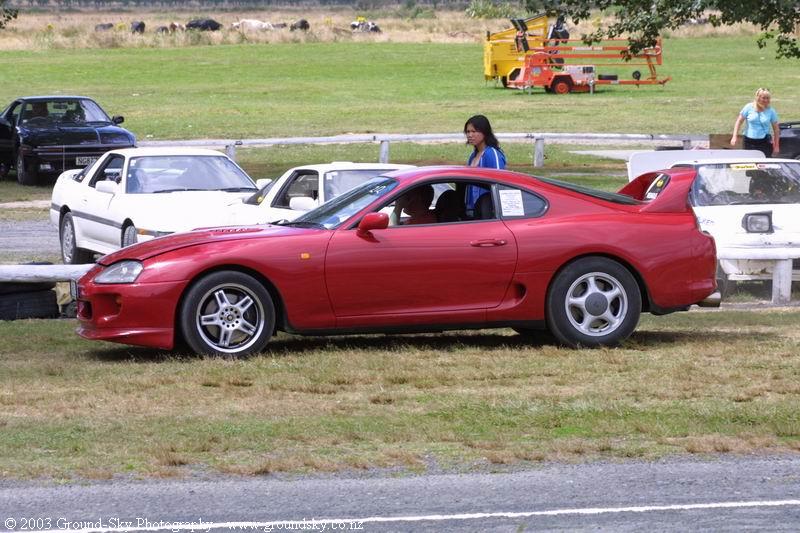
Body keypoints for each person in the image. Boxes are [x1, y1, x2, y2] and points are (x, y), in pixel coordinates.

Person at [464, 115, 506, 210]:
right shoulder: (473, 156)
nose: (470, 135)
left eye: (474, 131)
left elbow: (499, 182)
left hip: (487, 210)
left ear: (484, 132)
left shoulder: (492, 153)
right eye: (468, 132)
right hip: (473, 210)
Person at [731, 88, 780, 157]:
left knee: (765, 162)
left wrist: (776, 146)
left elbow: (776, 129)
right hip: (748, 141)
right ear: (758, 98)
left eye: (768, 98)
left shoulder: (771, 111)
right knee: (749, 162)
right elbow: (739, 121)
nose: (766, 100)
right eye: (764, 98)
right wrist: (734, 137)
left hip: (764, 141)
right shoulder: (748, 107)